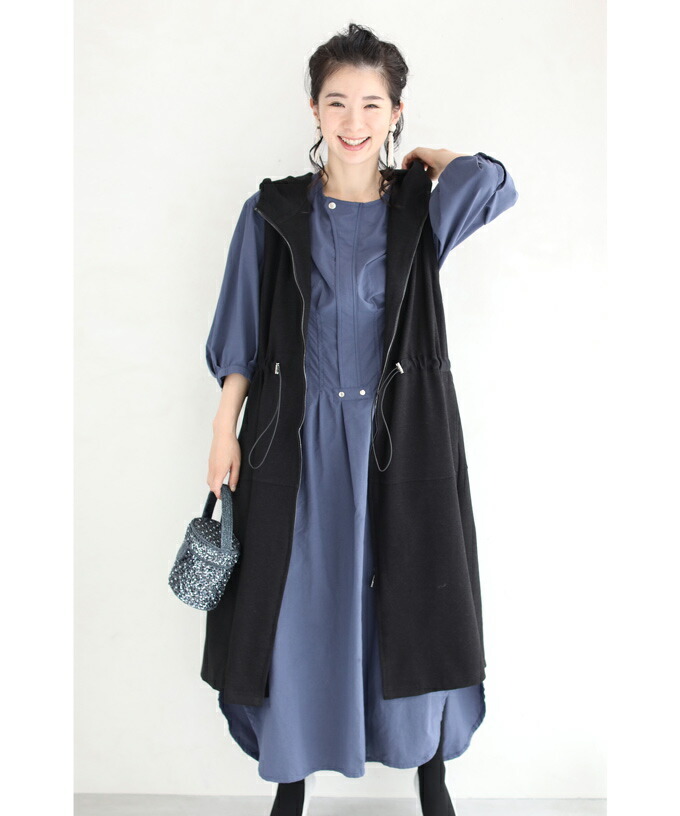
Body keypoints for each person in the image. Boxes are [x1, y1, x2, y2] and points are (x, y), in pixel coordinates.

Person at [204, 22, 518, 816]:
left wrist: (430, 158)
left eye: (372, 104)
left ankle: (430, 772)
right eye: (337, 102)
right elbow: (242, 334)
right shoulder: (273, 212)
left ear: (395, 113)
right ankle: (291, 779)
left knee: (417, 597)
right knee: (297, 607)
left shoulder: (419, 211)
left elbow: (494, 183)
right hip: (297, 442)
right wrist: (222, 431)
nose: (353, 120)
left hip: (403, 438)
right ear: (313, 109)